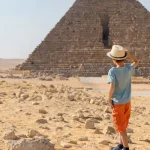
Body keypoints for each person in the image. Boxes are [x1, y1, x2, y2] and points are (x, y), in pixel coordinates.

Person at [106, 45, 139, 150]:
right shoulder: (128, 68)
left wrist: (108, 98)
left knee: (120, 127)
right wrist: (128, 54)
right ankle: (120, 145)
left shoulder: (112, 71)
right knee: (123, 124)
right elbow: (136, 61)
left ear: (113, 59)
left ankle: (125, 147)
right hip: (127, 102)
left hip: (118, 103)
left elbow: (112, 86)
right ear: (123, 58)